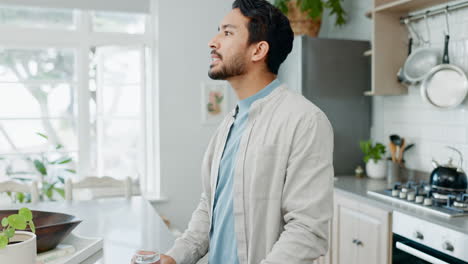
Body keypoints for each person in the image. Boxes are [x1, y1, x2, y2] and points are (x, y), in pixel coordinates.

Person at [157, 0, 334, 263]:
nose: (213, 42)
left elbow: (307, 231)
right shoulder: (229, 123)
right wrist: (174, 258)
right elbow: (210, 207)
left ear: (258, 50)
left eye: (227, 32)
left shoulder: (305, 120)